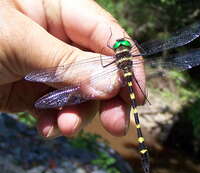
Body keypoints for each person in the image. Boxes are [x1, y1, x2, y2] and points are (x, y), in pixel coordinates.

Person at [0, 0, 145, 139]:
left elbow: (104, 59)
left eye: (121, 44)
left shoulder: (111, 57)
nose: (119, 44)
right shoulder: (131, 56)